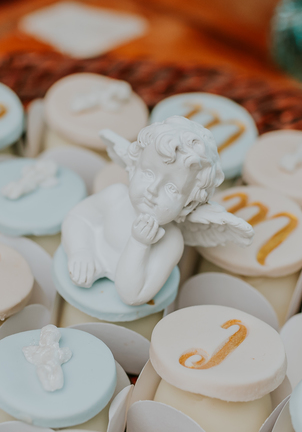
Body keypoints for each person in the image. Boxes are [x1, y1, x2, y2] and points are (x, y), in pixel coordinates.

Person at [62, 116, 253, 306]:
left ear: (188, 204)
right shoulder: (115, 197)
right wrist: (80, 251)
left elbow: (131, 295)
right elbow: (77, 217)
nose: (153, 190)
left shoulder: (171, 240)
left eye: (171, 188)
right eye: (148, 173)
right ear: (134, 167)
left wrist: (139, 243)